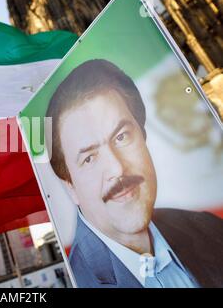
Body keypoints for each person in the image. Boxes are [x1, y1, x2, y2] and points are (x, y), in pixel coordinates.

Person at [46, 59, 223, 288]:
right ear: (70, 186)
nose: (117, 169)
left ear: (143, 136)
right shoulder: (77, 282)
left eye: (121, 137)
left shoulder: (207, 227)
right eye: (89, 158)